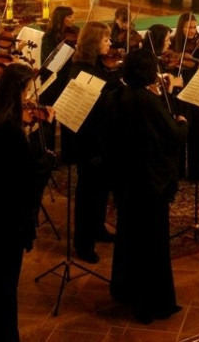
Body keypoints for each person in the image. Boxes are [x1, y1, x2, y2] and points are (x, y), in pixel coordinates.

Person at [109, 49, 187, 324]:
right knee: (152, 242)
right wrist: (182, 122)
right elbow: (172, 134)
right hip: (150, 182)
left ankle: (126, 289)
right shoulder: (148, 101)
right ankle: (153, 303)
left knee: (130, 236)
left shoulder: (123, 94)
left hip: (128, 178)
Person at [0, 62, 48, 342]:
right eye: (27, 91)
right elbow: (30, 173)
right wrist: (41, 142)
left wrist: (27, 131)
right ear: (17, 91)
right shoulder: (9, 129)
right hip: (8, 220)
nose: (28, 98)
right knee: (4, 285)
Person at [60, 21, 117, 263]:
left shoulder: (95, 65)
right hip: (88, 141)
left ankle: (98, 228)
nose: (110, 43)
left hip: (101, 138)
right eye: (106, 40)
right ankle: (83, 243)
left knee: (101, 188)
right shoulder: (81, 71)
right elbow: (93, 108)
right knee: (87, 193)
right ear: (94, 43)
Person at [171, 12, 199, 182]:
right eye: (188, 27)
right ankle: (179, 169)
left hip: (196, 88)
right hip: (180, 90)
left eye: (194, 27)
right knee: (181, 126)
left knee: (198, 127)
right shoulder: (174, 44)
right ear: (181, 27)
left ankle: (198, 168)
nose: (192, 31)